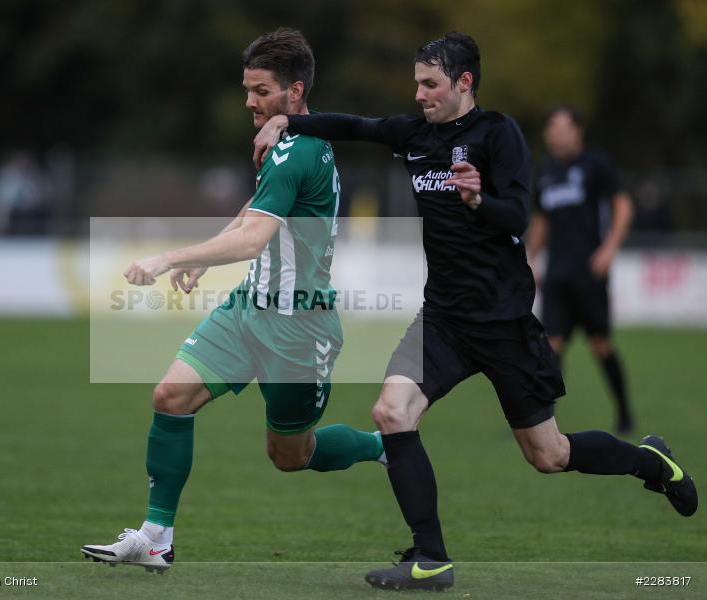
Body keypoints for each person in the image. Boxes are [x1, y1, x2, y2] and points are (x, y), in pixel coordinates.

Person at [254, 31, 697, 591]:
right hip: (443, 318)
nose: (419, 94)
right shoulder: (414, 135)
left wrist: (478, 199)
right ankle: (431, 559)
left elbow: (518, 216)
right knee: (392, 412)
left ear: (464, 82)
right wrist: (286, 121)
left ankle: (652, 463)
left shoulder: (498, 133)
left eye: (430, 84)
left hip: (503, 321)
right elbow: (356, 126)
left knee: (549, 454)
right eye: (417, 83)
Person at [81, 28, 385, 573]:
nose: (249, 101)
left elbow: (253, 240)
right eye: (247, 89)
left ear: (295, 92)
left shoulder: (296, 151)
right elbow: (260, 205)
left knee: (290, 455)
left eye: (261, 90)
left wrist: (169, 257)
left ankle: (383, 445)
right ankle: (156, 537)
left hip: (298, 329)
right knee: (171, 396)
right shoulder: (289, 140)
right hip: (248, 309)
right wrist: (207, 253)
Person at [526, 107, 636, 434]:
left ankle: (624, 413)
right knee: (551, 347)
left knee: (600, 344)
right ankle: (539, 421)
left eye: (563, 129)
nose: (556, 136)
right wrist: (530, 259)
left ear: (578, 132)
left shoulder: (595, 164)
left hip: (590, 272)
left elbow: (623, 206)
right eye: (552, 130)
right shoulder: (545, 172)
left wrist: (609, 248)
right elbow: (542, 220)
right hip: (557, 274)